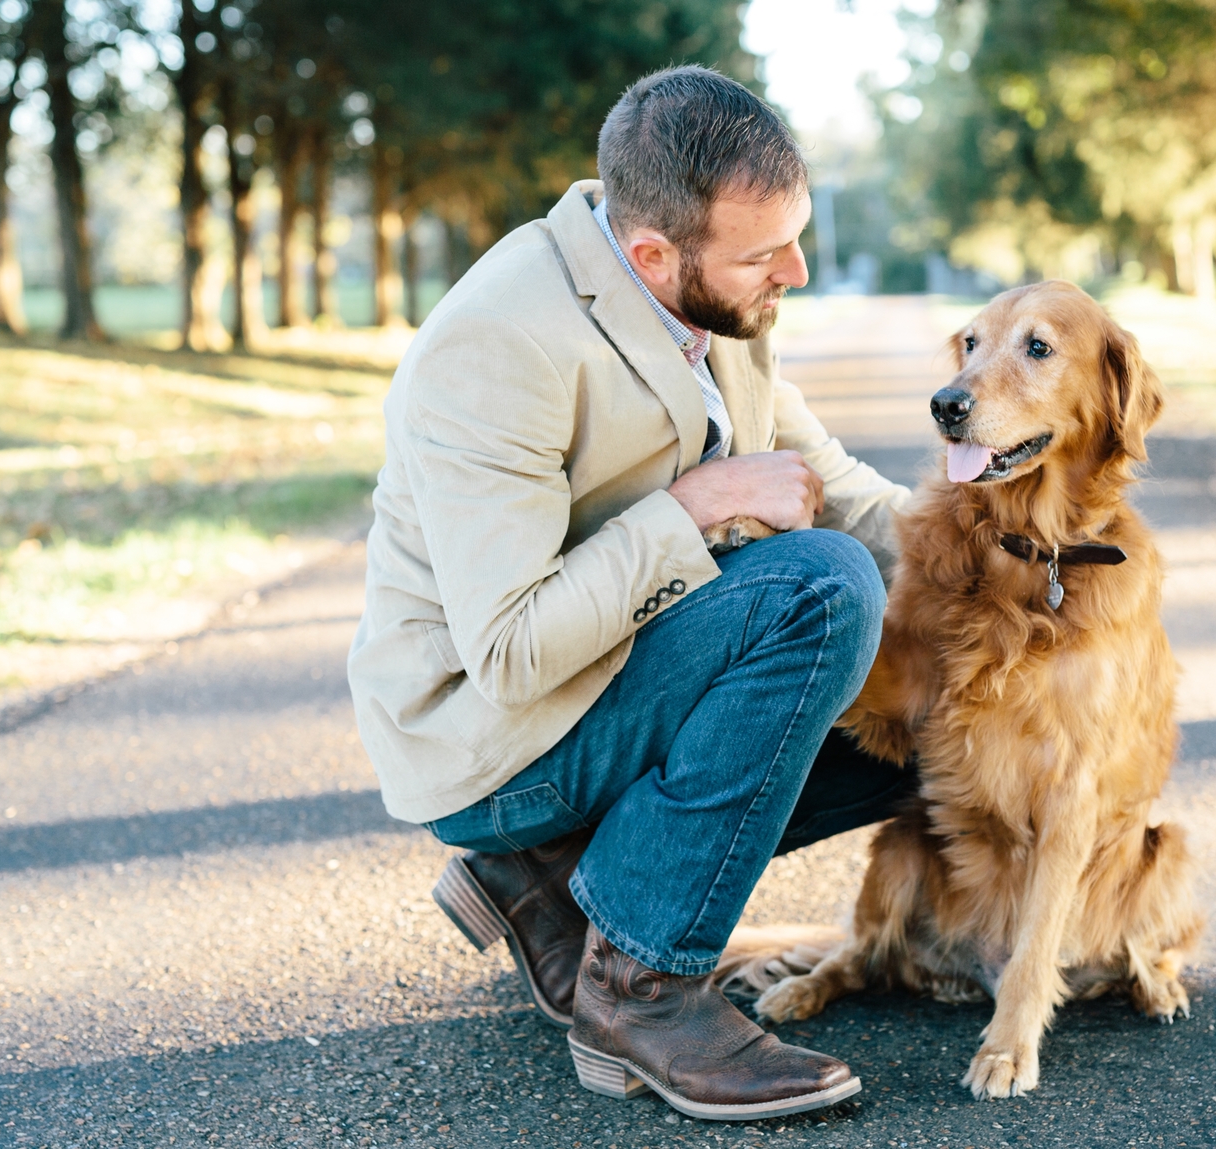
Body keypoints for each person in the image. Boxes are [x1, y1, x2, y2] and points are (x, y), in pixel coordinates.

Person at [347, 65, 911, 1118]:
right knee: (818, 593)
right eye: (765, 253)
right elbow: (508, 650)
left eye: (791, 236)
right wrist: (693, 509)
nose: (795, 267)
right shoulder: (499, 341)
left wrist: (1020, 561)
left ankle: (561, 880)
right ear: (653, 253)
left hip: (604, 683)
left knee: (938, 714)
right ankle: (638, 986)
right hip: (495, 741)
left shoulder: (711, 299)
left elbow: (838, 486)